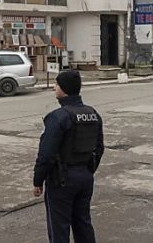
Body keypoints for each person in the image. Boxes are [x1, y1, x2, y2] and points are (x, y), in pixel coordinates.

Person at [33, 70, 104, 243]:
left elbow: (46, 154)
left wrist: (38, 180)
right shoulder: (93, 113)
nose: (54, 88)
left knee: (59, 228)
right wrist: (88, 170)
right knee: (83, 224)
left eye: (56, 85)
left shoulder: (59, 117)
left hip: (62, 180)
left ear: (63, 89)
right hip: (85, 177)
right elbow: (99, 148)